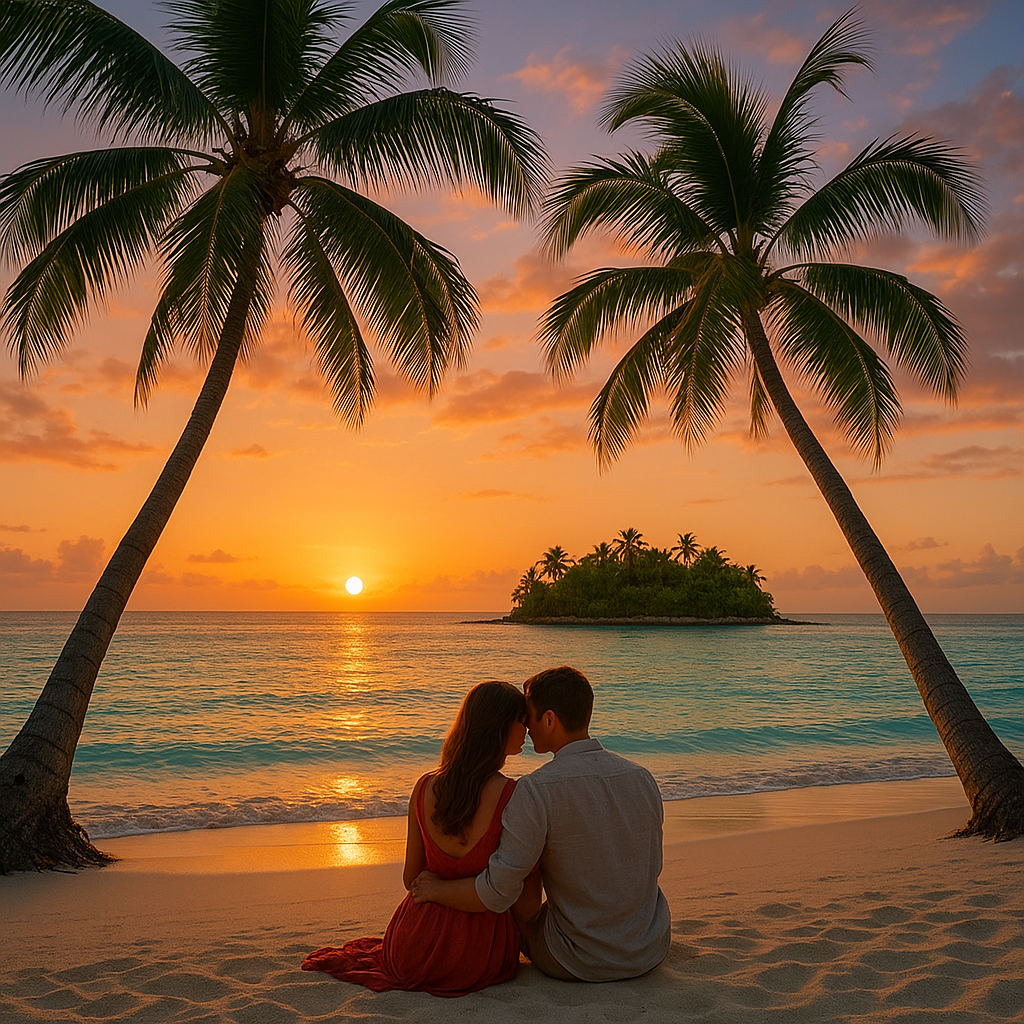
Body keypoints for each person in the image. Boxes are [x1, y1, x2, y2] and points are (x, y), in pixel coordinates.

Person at [411, 665, 671, 982]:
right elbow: (651, 865)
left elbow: (498, 893)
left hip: (576, 960)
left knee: (524, 882)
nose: (527, 728)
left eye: (529, 717)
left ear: (549, 720)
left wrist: (437, 889)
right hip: (649, 949)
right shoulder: (642, 778)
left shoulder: (535, 790)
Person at [301, 680, 528, 997]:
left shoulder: (424, 788)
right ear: (500, 728)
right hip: (478, 952)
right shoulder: (511, 795)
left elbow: (411, 878)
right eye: (522, 720)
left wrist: (439, 886)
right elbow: (505, 890)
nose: (527, 728)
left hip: (412, 944)